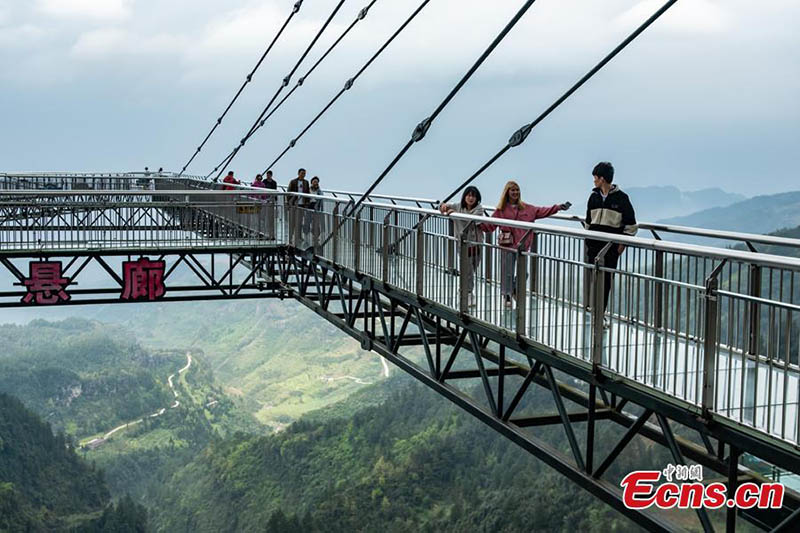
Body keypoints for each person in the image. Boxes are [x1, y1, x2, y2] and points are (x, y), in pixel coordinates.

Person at [483, 180, 570, 308]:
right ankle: (507, 296)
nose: (515, 192)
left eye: (517, 190)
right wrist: (478, 223)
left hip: (523, 246)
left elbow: (542, 211)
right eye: (512, 190)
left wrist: (558, 207)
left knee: (524, 273)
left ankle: (514, 291)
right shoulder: (501, 210)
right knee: (507, 272)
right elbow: (490, 226)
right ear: (507, 192)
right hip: (508, 245)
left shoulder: (527, 208)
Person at [583, 161, 637, 315]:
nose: (594, 180)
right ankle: (594, 311)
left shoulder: (621, 198)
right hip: (593, 247)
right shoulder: (593, 197)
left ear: (602, 179)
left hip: (610, 249)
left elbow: (631, 225)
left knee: (606, 281)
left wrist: (620, 246)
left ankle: (600, 314)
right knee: (594, 279)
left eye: (595, 177)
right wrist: (588, 239)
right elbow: (588, 222)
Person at [439, 186, 487, 307]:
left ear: (477, 198)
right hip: (463, 243)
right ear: (464, 196)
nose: (471, 198)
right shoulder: (458, 205)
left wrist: (454, 214)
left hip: (476, 244)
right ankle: (468, 294)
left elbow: (469, 221)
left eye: (473, 196)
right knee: (468, 270)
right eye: (468, 195)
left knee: (472, 268)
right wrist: (443, 206)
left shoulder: (479, 209)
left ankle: (463, 289)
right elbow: (443, 206)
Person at [287, 169, 310, 246]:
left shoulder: (306, 182)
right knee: (292, 222)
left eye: (304, 173)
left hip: (301, 204)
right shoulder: (293, 182)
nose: (303, 175)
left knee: (299, 222)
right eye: (302, 173)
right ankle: (290, 237)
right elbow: (288, 192)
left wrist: (307, 202)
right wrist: (289, 203)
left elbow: (307, 193)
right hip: (294, 204)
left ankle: (299, 237)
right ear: (298, 173)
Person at [303, 176, 325, 245]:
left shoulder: (319, 191)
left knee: (316, 222)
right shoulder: (308, 190)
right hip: (309, 206)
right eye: (314, 181)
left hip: (316, 206)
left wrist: (321, 209)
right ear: (311, 182)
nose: (315, 183)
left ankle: (315, 236)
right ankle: (306, 235)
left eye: (317, 182)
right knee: (307, 221)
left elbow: (321, 199)